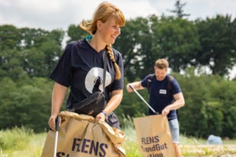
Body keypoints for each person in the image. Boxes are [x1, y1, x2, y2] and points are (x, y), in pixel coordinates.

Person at [48, 1, 125, 131]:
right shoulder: (74, 49)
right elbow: (61, 84)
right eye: (114, 26)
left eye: (120, 27)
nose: (118, 32)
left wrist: (104, 113)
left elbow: (117, 94)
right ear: (99, 24)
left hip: (104, 123)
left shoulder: (116, 57)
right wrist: (54, 113)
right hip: (77, 122)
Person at [126, 59, 185, 157]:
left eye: (162, 73)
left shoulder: (171, 82)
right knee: (155, 147)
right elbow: (140, 85)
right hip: (154, 119)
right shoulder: (150, 79)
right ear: (154, 69)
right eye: (157, 72)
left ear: (166, 70)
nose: (160, 75)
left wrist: (169, 108)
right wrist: (131, 86)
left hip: (169, 119)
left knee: (174, 145)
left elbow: (181, 101)